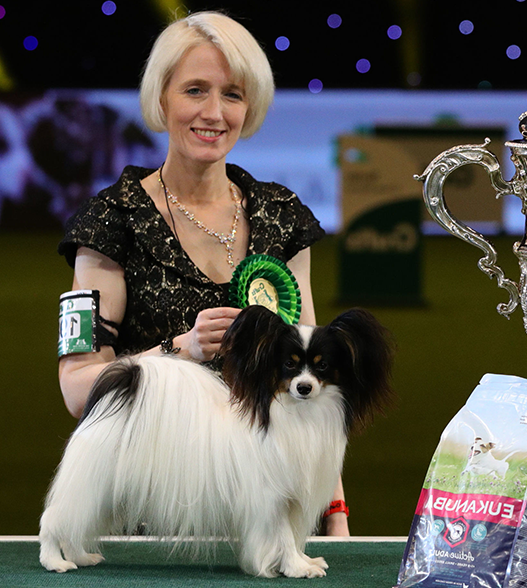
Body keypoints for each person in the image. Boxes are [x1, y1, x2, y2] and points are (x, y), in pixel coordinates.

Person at [56, 11, 350, 536]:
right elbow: (77, 391)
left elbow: (313, 387)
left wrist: (333, 514)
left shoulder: (282, 217)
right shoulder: (110, 221)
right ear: (161, 98)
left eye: (233, 94)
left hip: (266, 519)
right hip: (150, 517)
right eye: (195, 90)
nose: (214, 112)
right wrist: (180, 350)